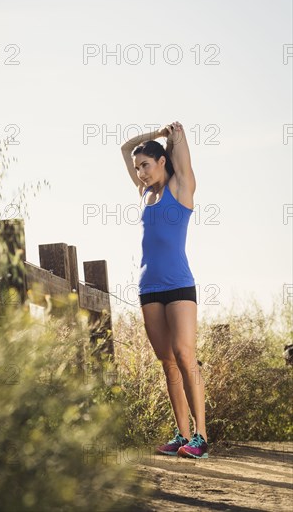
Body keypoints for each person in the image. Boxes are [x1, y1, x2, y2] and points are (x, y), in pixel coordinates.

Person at [120, 121, 208, 459]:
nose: (140, 172)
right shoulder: (144, 194)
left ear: (161, 162)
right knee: (167, 362)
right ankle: (182, 434)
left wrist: (172, 135)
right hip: (149, 287)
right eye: (137, 168)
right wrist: (150, 137)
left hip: (180, 285)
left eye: (145, 164)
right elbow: (125, 148)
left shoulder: (181, 188)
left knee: (186, 356)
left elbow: (181, 148)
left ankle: (200, 436)